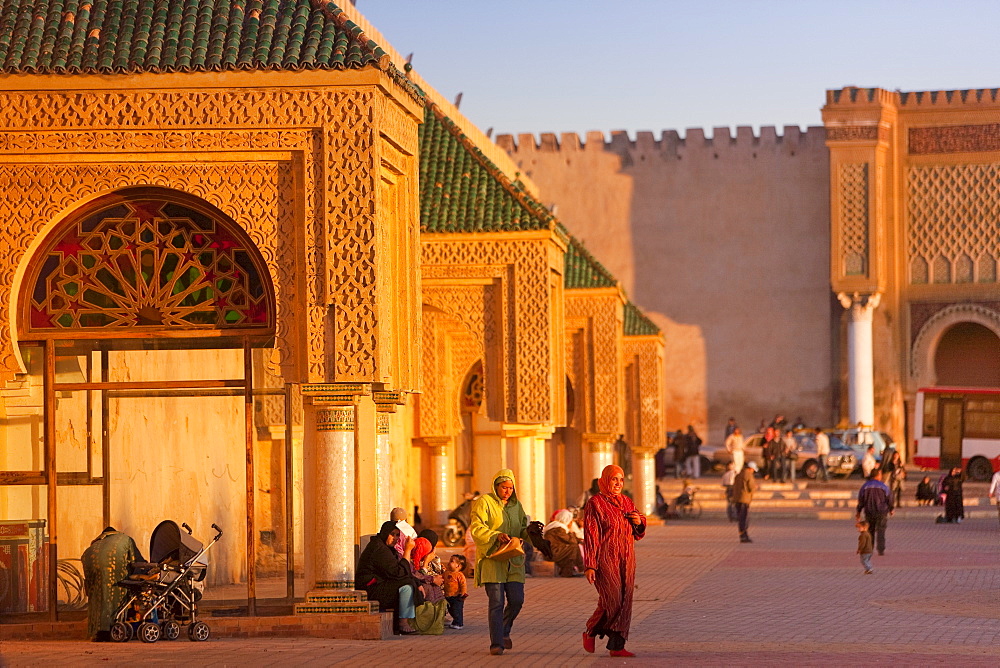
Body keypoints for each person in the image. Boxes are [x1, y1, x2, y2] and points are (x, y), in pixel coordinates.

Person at [582, 464, 646, 658]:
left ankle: (617, 646)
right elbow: (591, 534)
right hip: (605, 559)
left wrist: (639, 522)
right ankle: (591, 630)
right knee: (613, 599)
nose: (617, 483)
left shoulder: (626, 501)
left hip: (626, 559)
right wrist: (590, 565)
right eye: (614, 479)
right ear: (605, 480)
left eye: (620, 479)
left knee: (625, 600)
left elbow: (639, 526)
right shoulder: (596, 503)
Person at [470, 468, 531, 656]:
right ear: (496, 486)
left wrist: (531, 534)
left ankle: (505, 629)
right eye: (504, 487)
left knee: (516, 600)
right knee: (496, 602)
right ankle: (496, 643)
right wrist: (496, 536)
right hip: (492, 561)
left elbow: (521, 529)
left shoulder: (516, 506)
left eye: (511, 488)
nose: (507, 491)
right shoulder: (484, 502)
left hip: (513, 560)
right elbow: (477, 528)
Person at [355, 521, 422, 634]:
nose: (395, 538)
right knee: (408, 585)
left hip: (380, 584)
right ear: (385, 533)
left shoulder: (387, 548)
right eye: (392, 534)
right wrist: (407, 550)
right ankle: (403, 623)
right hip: (370, 588)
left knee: (410, 583)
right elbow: (398, 573)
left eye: (397, 535)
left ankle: (405, 620)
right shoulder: (378, 548)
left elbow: (402, 572)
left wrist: (418, 583)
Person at [81, 526, 142, 641]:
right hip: (115, 574)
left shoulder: (93, 546)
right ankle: (114, 629)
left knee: (98, 599)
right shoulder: (124, 539)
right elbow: (137, 562)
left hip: (93, 574)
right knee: (115, 595)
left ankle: (99, 632)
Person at [856, 469, 893, 555]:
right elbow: (889, 499)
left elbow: (861, 501)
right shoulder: (883, 486)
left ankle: (870, 549)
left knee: (870, 531)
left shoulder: (865, 486)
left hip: (869, 511)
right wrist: (891, 509)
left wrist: (858, 511)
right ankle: (881, 550)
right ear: (877, 475)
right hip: (881, 512)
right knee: (881, 531)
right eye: (880, 474)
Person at [542, 509, 584, 577]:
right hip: (553, 553)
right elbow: (571, 540)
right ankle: (580, 568)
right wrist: (571, 531)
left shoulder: (554, 526)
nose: (571, 522)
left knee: (571, 551)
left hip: (555, 551)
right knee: (573, 547)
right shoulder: (558, 529)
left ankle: (570, 571)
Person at [732, 461, 758, 543]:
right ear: (750, 469)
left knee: (740, 518)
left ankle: (742, 534)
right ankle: (744, 535)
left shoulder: (738, 475)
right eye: (753, 470)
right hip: (744, 499)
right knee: (744, 518)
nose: (753, 472)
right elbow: (751, 487)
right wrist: (755, 488)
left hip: (737, 499)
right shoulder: (749, 475)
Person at [442, 554, 468, 629]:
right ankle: (454, 621)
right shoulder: (447, 572)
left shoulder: (459, 575)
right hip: (447, 595)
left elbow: (463, 585)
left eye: (451, 561)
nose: (449, 563)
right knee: (450, 610)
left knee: (457, 610)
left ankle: (459, 623)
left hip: (457, 596)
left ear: (458, 566)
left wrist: (463, 594)